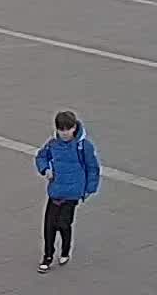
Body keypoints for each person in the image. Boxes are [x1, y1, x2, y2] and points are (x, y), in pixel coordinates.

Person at [35, 110, 100, 273]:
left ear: (74, 128)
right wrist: (45, 169)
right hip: (56, 190)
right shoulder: (52, 144)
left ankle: (65, 250)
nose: (64, 133)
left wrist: (89, 189)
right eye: (61, 129)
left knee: (63, 224)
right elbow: (41, 157)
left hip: (73, 192)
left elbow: (93, 168)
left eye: (67, 129)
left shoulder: (83, 146)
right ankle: (47, 256)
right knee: (49, 226)